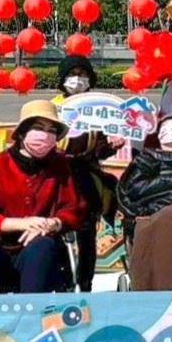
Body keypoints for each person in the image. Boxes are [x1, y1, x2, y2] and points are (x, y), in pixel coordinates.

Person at [0, 101, 87, 293]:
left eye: (51, 130)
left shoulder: (60, 166)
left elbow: (73, 209)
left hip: (40, 250)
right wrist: (22, 223)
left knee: (42, 247)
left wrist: (52, 223)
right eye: (38, 128)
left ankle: (31, 310)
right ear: (23, 133)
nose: (45, 135)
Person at [52, 54, 122, 292]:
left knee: (86, 231)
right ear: (63, 79)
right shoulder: (53, 107)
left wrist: (112, 145)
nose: (77, 79)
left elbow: (99, 152)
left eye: (82, 75)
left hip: (84, 175)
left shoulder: (96, 110)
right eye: (72, 74)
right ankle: (59, 281)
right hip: (55, 175)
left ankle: (85, 284)